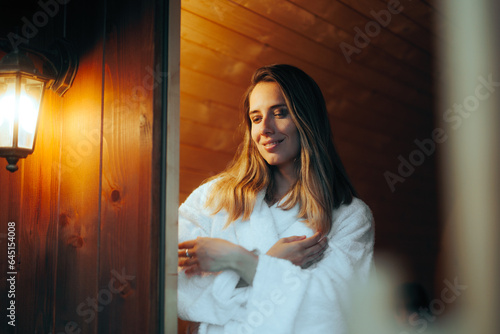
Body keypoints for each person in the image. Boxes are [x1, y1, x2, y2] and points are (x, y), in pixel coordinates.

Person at [177, 64, 375, 334]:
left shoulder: (348, 216)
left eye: (280, 113)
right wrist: (274, 268)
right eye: (256, 118)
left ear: (307, 119)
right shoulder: (213, 198)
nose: (265, 128)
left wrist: (241, 260)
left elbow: (333, 311)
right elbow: (177, 289)